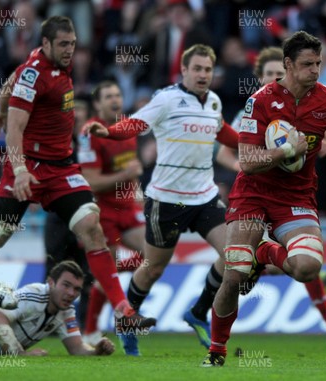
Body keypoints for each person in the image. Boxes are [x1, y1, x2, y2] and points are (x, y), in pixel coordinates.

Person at [0, 16, 155, 331]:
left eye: (73, 44)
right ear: (47, 44)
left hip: (61, 169)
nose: (70, 50)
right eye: (63, 44)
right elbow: (15, 128)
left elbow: (8, 85)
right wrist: (21, 169)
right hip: (26, 167)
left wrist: (1, 106)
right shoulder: (34, 73)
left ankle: (123, 310)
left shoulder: (54, 65)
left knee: (92, 229)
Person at [201, 31, 326, 367]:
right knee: (236, 272)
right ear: (288, 64)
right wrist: (288, 149)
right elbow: (245, 161)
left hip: (297, 197)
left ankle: (265, 250)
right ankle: (217, 351)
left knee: (306, 268)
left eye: (318, 63)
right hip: (253, 193)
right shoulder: (259, 101)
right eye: (307, 64)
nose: (315, 70)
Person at [82, 44, 239, 350]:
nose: (203, 74)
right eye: (197, 68)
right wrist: (108, 132)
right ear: (184, 70)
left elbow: (223, 133)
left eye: (208, 69)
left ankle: (197, 312)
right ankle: (127, 322)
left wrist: (252, 141)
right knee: (153, 268)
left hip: (204, 196)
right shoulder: (167, 98)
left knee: (234, 255)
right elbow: (136, 124)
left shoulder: (215, 103)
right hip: (167, 199)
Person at [77, 81, 146, 355]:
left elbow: (131, 165)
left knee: (155, 254)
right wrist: (125, 176)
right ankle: (92, 329)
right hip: (103, 212)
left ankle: (106, 318)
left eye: (118, 94)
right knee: (110, 270)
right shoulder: (88, 133)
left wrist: (136, 188)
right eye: (108, 97)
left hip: (129, 208)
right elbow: (91, 181)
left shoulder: (128, 127)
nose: (115, 100)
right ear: (97, 104)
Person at [0, 261, 115, 357]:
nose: (71, 293)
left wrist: (96, 351)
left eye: (76, 289)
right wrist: (20, 353)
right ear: (51, 283)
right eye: (66, 285)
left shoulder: (66, 311)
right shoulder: (34, 294)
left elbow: (76, 348)